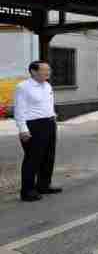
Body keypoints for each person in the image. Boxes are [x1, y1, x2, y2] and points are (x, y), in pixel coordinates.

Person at [13, 61, 62, 202]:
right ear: (33, 72)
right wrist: (23, 129)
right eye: (45, 70)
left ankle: (44, 185)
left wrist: (52, 115)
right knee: (33, 159)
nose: (48, 72)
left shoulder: (47, 85)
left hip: (49, 123)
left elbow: (46, 104)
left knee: (48, 157)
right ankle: (27, 191)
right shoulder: (23, 87)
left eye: (49, 70)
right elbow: (19, 110)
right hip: (33, 126)